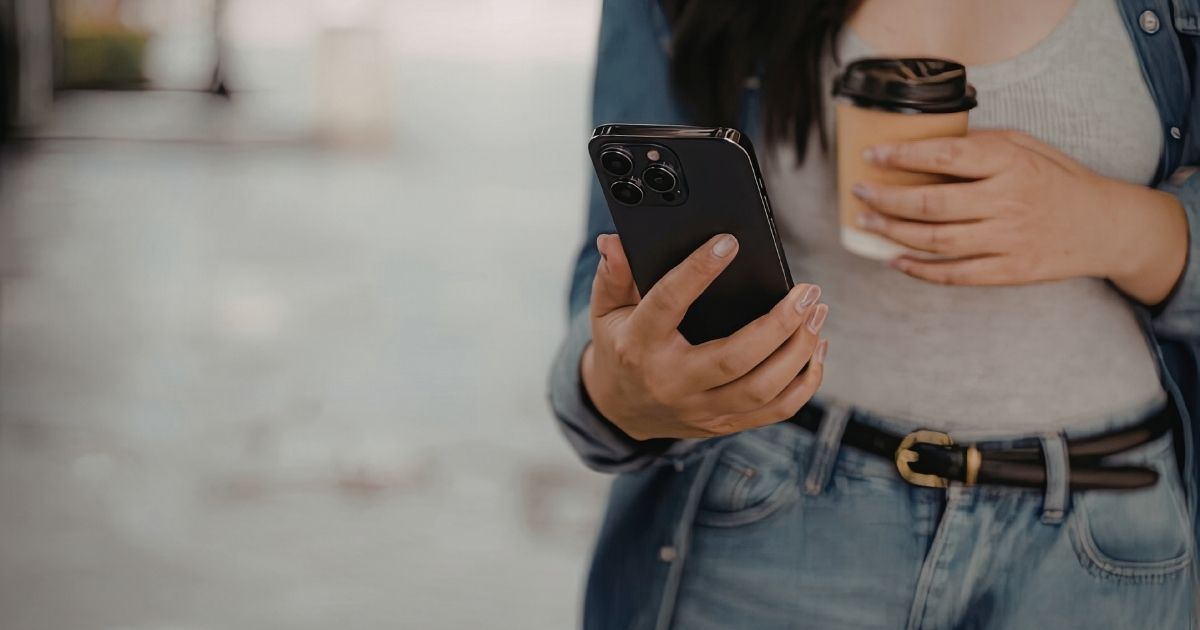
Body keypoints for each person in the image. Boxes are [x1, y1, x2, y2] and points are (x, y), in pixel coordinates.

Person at [548, 1, 1200, 628]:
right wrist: (623, 390)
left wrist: (1125, 229)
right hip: (774, 515)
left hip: (1105, 543)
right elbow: (609, 287)